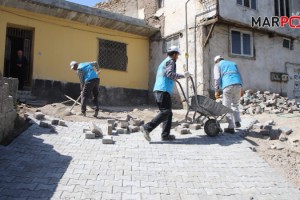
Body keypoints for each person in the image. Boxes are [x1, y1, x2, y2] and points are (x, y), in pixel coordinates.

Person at [141, 46, 191, 142]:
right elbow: (169, 74)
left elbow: (167, 75)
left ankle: (165, 135)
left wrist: (174, 78)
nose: (177, 57)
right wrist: (183, 75)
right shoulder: (171, 61)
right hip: (163, 90)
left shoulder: (164, 62)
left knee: (168, 113)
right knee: (166, 112)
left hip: (160, 89)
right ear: (175, 54)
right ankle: (147, 128)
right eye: (177, 55)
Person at [214, 55, 243, 134]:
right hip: (238, 84)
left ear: (216, 61)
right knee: (236, 104)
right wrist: (242, 88)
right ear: (222, 59)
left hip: (227, 85)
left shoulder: (217, 65)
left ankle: (231, 127)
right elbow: (240, 76)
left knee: (227, 107)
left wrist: (216, 90)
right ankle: (237, 122)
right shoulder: (233, 63)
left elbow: (217, 78)